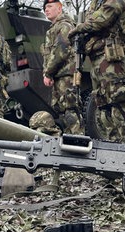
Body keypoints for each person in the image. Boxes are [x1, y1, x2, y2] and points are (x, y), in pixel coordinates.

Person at [68, 0, 125, 143]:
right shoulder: (94, 3)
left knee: (118, 97)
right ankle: (114, 142)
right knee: (102, 102)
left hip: (110, 56)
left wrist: (78, 28)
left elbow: (102, 19)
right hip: (96, 58)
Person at [41, 0, 83, 135]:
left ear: (59, 9)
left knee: (70, 109)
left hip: (66, 75)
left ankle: (77, 140)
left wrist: (48, 73)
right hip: (59, 75)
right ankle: (69, 140)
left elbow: (61, 51)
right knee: (62, 110)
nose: (46, 9)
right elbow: (49, 54)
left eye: (50, 6)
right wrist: (49, 73)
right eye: (45, 7)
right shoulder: (54, 28)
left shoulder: (64, 26)